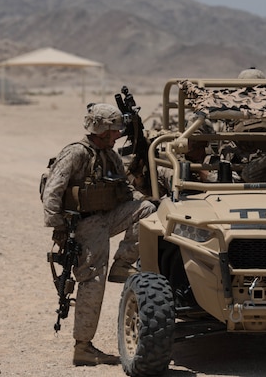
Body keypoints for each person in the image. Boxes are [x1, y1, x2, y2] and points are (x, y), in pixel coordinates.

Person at [42, 103, 156, 366]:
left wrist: (145, 199)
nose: (118, 135)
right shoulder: (75, 153)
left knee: (148, 210)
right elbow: (53, 191)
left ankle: (123, 264)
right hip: (85, 224)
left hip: (107, 217)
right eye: (114, 131)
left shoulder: (109, 155)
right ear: (101, 130)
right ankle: (83, 347)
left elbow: (127, 190)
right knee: (93, 280)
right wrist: (58, 227)